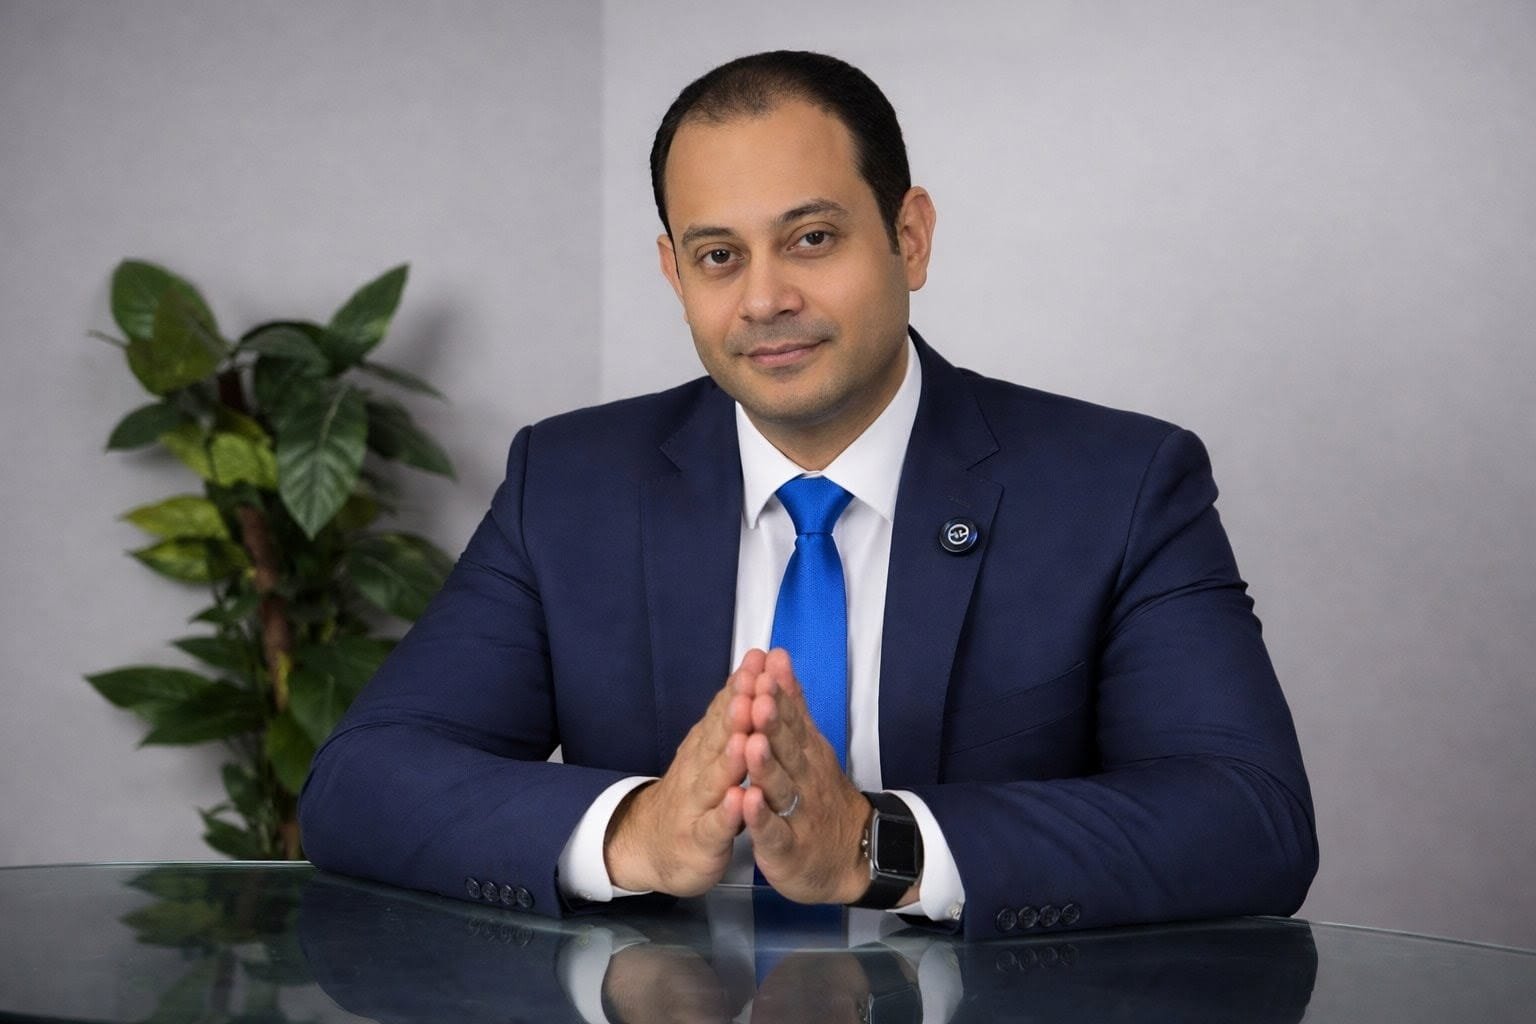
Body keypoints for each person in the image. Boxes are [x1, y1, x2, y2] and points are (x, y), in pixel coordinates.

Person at [299, 50, 1318, 941]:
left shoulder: (1121, 485)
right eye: (718, 256)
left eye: (812, 239)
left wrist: (877, 845)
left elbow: (1250, 818)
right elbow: (362, 782)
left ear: (909, 237)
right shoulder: (569, 485)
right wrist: (639, 832)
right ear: (674, 274)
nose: (764, 299)